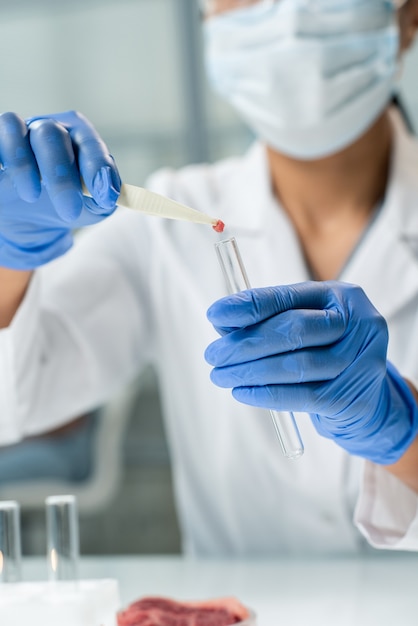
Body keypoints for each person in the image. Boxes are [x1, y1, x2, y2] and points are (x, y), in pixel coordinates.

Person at [1, 0, 418, 556]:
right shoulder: (165, 232)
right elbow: (19, 402)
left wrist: (403, 432)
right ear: (206, 20)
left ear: (409, 17)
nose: (287, 16)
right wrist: (9, 257)